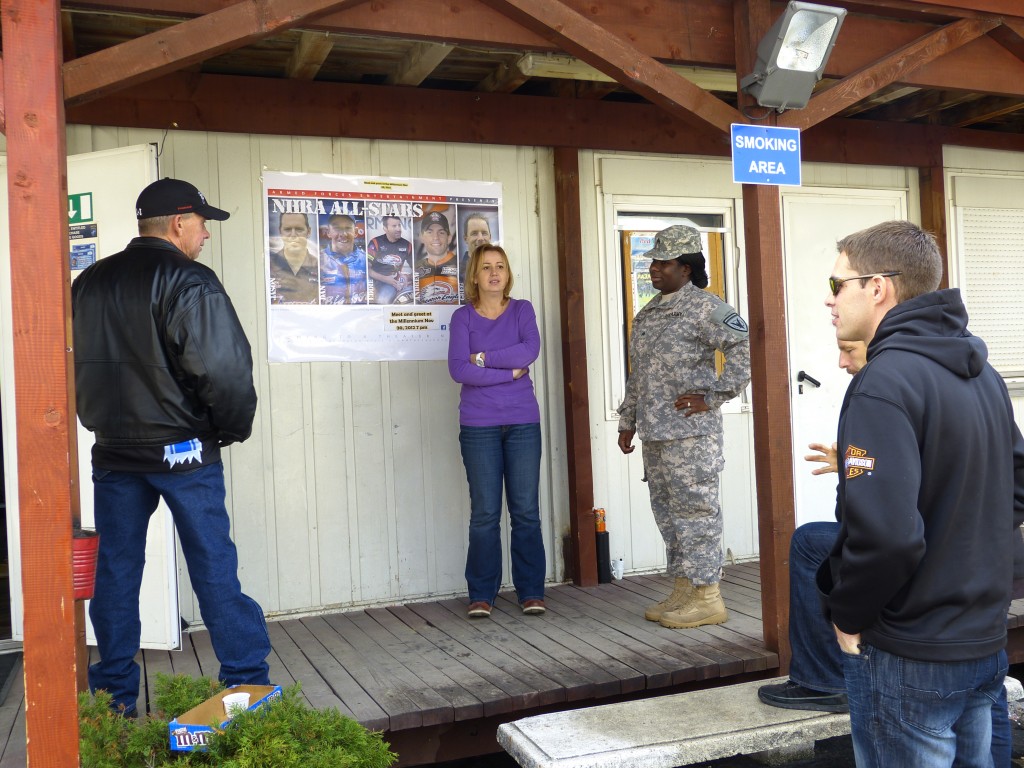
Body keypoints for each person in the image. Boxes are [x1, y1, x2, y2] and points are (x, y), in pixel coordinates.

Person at [816, 220, 1024, 767]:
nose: (829, 299)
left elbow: (886, 536)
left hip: (913, 652)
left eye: (838, 284)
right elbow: (1016, 487)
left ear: (878, 287)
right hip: (981, 639)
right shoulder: (984, 375)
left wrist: (848, 612)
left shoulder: (884, 381)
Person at [72, 178, 272, 717]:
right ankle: (246, 690)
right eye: (203, 223)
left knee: (116, 572)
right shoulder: (189, 280)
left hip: (114, 452)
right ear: (179, 222)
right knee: (213, 566)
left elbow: (72, 365)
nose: (206, 234)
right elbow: (225, 372)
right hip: (182, 452)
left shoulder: (89, 282)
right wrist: (229, 428)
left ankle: (112, 701)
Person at [616, 224, 751, 629]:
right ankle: (685, 587)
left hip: (691, 434)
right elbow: (639, 374)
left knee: (697, 512)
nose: (654, 269)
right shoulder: (650, 313)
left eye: (664, 263)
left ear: (687, 268)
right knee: (668, 513)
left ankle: (708, 594)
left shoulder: (707, 309)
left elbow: (746, 349)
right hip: (656, 433)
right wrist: (628, 419)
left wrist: (712, 397)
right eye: (652, 262)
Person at [447, 243, 546, 619]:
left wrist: (484, 360)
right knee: (485, 513)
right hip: (478, 426)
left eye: (500, 267)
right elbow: (459, 369)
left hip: (522, 422)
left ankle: (531, 591)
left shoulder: (522, 310)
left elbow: (529, 350)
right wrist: (507, 373)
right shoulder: (463, 318)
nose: (493, 273)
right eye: (486, 267)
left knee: (525, 511)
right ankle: (481, 594)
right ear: (475, 275)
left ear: (507, 274)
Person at [268, 210, 319, 304]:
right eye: (287, 229)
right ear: (280, 232)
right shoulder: (268, 266)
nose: (293, 235)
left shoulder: (321, 266)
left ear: (308, 232)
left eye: (299, 229)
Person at [320, 213, 368, 304]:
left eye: (348, 228)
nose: (343, 234)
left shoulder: (367, 260)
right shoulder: (318, 261)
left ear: (356, 232)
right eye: (337, 228)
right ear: (328, 232)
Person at [415, 211, 460, 304]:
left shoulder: (463, 266)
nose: (436, 237)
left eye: (441, 232)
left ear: (449, 238)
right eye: (430, 232)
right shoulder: (415, 269)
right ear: (422, 237)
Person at [367, 214, 413, 304]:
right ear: (385, 228)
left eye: (399, 225)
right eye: (394, 226)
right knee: (385, 297)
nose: (398, 229)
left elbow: (416, 268)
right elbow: (367, 270)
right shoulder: (375, 242)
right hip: (378, 282)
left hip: (397, 282)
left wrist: (408, 277)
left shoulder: (407, 245)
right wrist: (386, 279)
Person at [459, 213, 492, 301]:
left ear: (490, 237)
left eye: (484, 233)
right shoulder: (457, 270)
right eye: (474, 233)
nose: (480, 238)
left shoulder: (499, 268)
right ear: (466, 239)